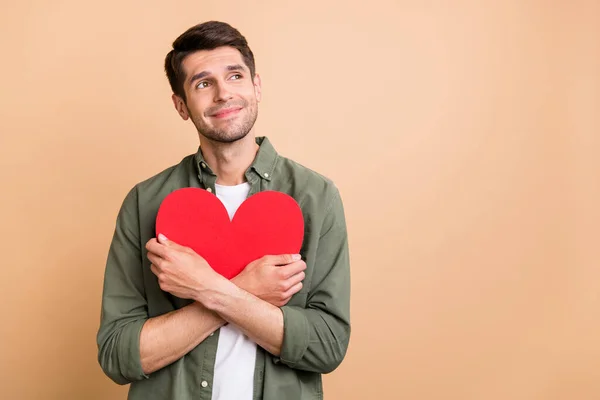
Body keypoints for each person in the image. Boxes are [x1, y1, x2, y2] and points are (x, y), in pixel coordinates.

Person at [96, 20, 351, 400]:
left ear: (256, 86)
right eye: (203, 83)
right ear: (181, 106)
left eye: (235, 76)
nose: (223, 94)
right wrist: (245, 290)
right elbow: (117, 354)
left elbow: (327, 346)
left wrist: (207, 288)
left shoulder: (316, 196)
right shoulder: (144, 202)